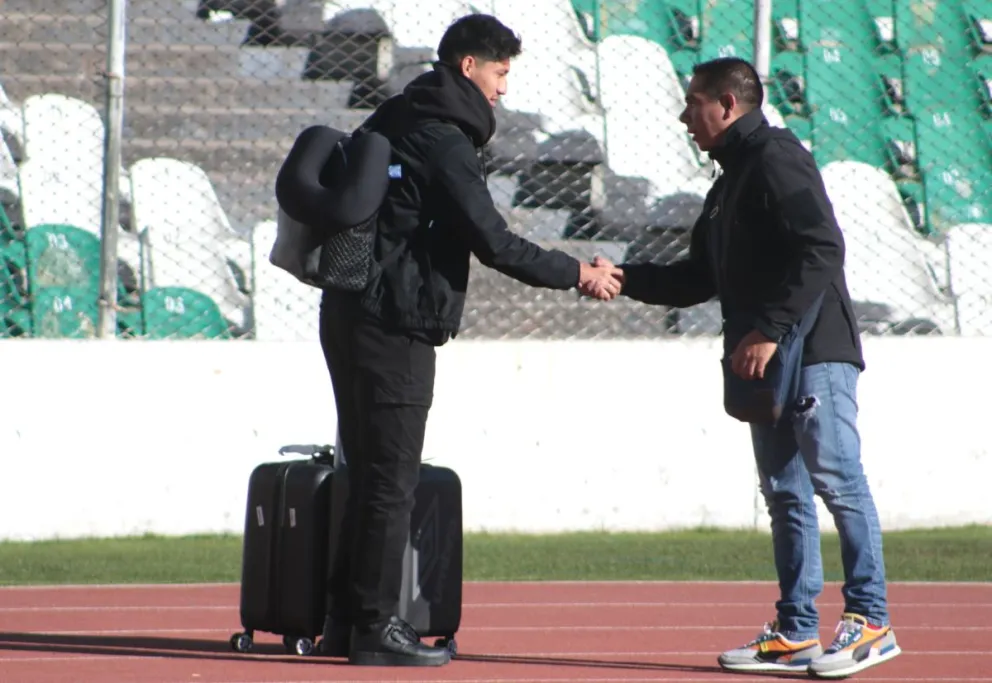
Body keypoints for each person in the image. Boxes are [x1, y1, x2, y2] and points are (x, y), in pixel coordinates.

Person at [316, 13, 623, 668]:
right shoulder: (444, 138)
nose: (504, 87)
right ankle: (374, 627)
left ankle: (344, 622)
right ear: (468, 67)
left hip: (346, 312)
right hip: (393, 321)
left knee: (367, 472)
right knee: (391, 479)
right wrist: (578, 272)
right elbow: (495, 240)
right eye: (500, 71)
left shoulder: (395, 114)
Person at [603, 57, 902, 679]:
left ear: (728, 105)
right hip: (764, 360)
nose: (685, 115)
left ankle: (871, 620)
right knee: (786, 495)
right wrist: (624, 279)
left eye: (694, 103)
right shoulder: (730, 180)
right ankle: (796, 631)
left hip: (813, 348)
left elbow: (823, 246)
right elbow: (697, 278)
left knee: (835, 477)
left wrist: (770, 328)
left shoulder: (774, 157)